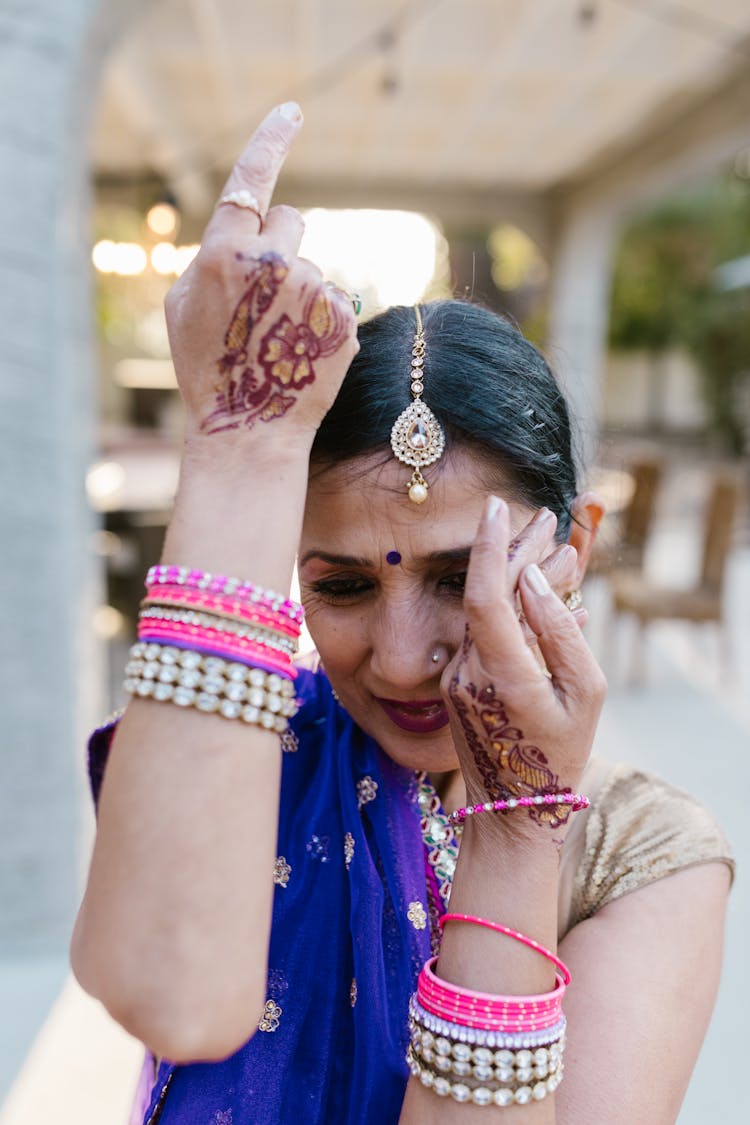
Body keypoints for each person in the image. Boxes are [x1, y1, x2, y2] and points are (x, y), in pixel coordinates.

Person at [71, 103, 733, 1125]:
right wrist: (240, 454)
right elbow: (169, 1000)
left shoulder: (643, 858)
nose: (401, 657)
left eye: (460, 582)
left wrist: (516, 832)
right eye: (339, 585)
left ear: (576, 551)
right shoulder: (244, 751)